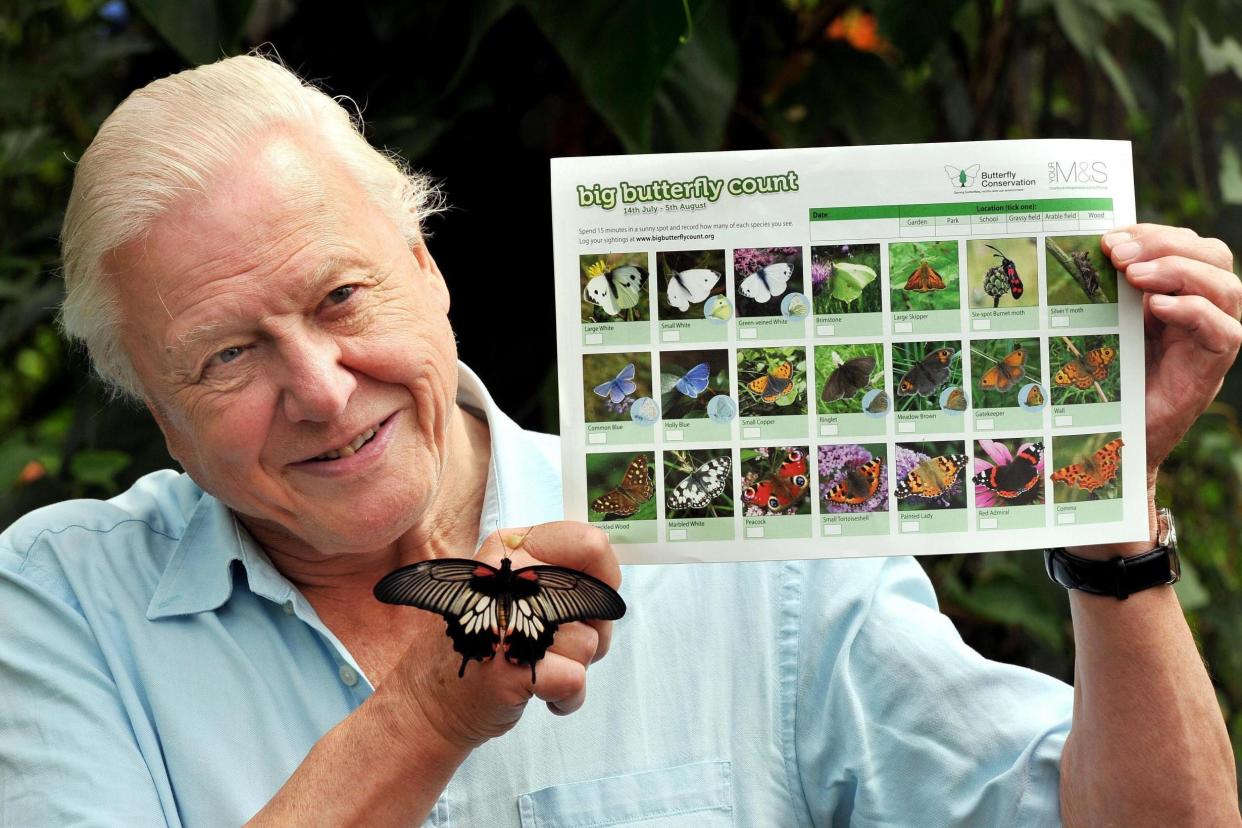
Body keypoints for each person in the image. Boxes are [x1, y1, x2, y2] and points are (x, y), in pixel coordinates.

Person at [1, 54, 1238, 827]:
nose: (321, 390)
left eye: (340, 299)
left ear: (427, 271)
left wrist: (1104, 509)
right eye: (227, 357)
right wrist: (427, 718)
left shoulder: (758, 530)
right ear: (157, 412)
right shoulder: (60, 603)